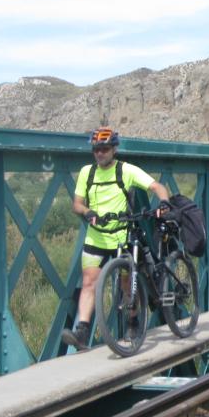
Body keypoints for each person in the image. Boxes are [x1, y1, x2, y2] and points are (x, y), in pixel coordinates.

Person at [61, 126, 171, 351]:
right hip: (96, 237)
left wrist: (163, 202)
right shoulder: (86, 173)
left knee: (125, 282)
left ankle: (133, 324)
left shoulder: (127, 170)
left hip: (122, 236)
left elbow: (157, 187)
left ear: (114, 149)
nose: (99, 153)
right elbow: (77, 203)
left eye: (104, 149)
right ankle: (82, 331)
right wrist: (86, 212)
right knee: (89, 282)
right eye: (96, 150)